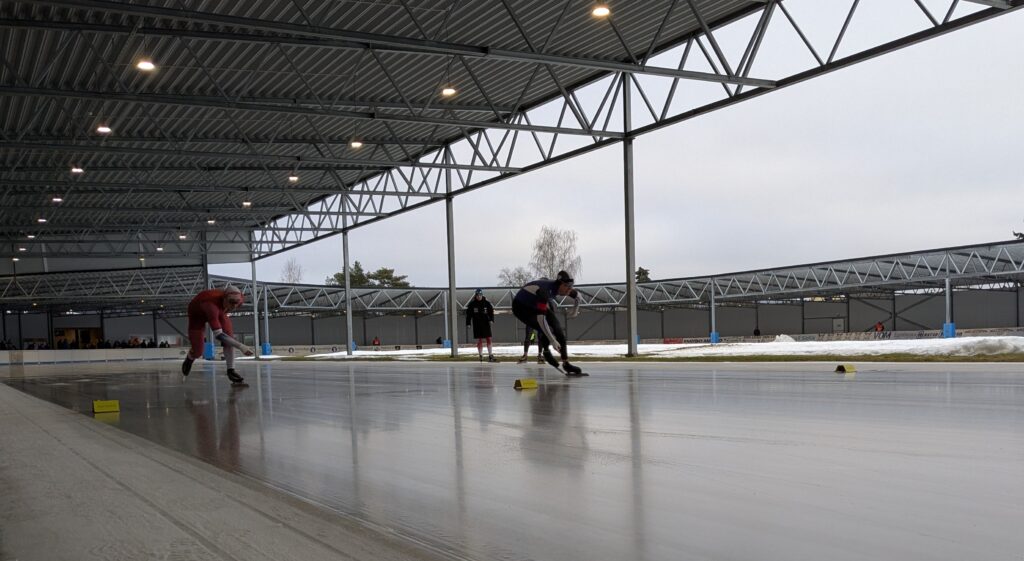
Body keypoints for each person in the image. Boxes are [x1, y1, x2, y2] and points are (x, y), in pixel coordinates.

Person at [512, 271, 584, 375]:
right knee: (544, 328)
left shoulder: (564, 288)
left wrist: (575, 311)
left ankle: (566, 363)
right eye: (567, 287)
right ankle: (545, 352)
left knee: (558, 329)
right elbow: (541, 320)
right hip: (521, 308)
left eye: (571, 287)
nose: (569, 290)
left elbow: (579, 296)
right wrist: (552, 340)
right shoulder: (545, 291)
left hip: (534, 304)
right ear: (560, 284)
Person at [181, 284, 253, 385]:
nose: (233, 306)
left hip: (220, 311)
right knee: (198, 351)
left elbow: (226, 336)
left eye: (236, 303)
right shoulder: (211, 305)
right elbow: (219, 335)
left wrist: (231, 366)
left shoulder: (239, 299)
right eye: (231, 302)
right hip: (197, 315)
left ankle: (231, 370)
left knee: (229, 336)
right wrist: (240, 346)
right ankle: (190, 357)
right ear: (224, 298)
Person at [466, 289, 497, 362]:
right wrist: (468, 323)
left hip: (486, 323)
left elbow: (491, 312)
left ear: (482, 295)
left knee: (488, 338)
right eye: (477, 295)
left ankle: (490, 355)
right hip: (477, 324)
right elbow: (469, 315)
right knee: (479, 340)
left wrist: (491, 320)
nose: (479, 297)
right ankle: (480, 355)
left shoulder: (487, 303)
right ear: (475, 296)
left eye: (480, 295)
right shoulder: (472, 304)